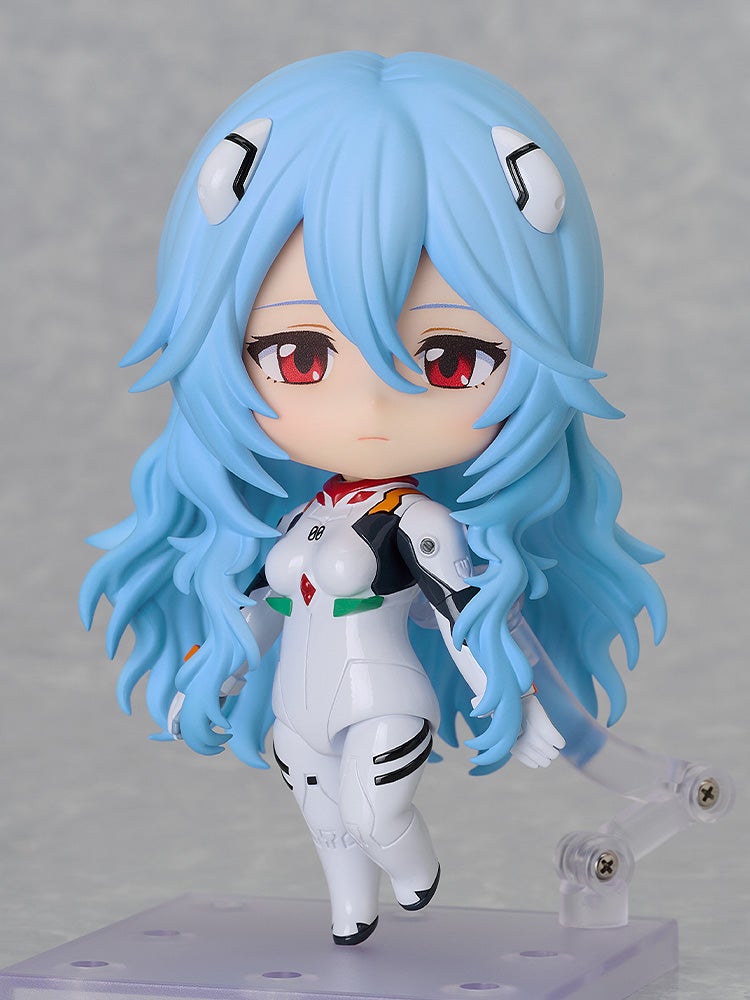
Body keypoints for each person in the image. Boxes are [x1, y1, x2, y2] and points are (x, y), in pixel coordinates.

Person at [80, 51, 666, 945]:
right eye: (301, 355)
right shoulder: (301, 518)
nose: (373, 407)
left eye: (451, 359)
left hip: (383, 692)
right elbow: (259, 609)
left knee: (374, 807)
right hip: (299, 703)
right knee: (325, 819)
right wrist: (215, 666)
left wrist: (520, 698)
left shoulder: (418, 524)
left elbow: (468, 613)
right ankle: (352, 918)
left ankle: (413, 873)